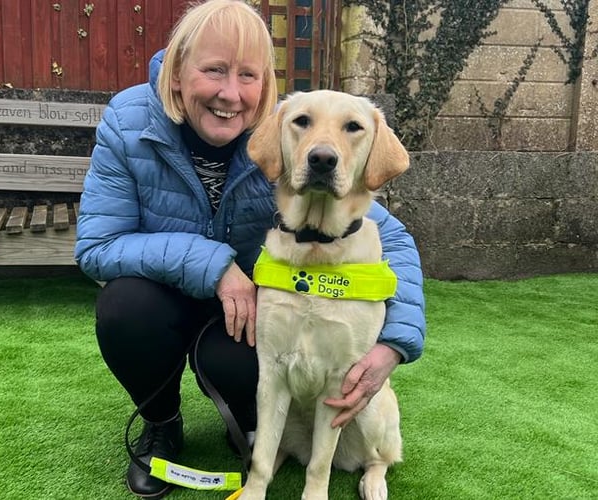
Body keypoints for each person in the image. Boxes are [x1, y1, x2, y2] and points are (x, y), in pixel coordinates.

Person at [75, 0, 425, 498]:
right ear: (177, 74)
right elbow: (98, 245)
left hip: (247, 315)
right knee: (125, 306)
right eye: (214, 70)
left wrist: (396, 341)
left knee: (251, 368)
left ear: (265, 84)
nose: (230, 94)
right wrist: (214, 265)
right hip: (163, 299)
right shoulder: (129, 122)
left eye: (248, 75)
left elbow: (392, 238)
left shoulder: (284, 131)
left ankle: (252, 425)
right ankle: (163, 425)